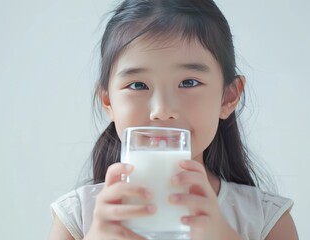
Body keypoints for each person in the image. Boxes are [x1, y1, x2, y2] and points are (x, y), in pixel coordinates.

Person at [49, 0, 298, 239]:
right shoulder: (79, 217)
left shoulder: (264, 220)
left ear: (227, 97)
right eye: (138, 85)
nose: (162, 110)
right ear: (108, 102)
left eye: (188, 82)